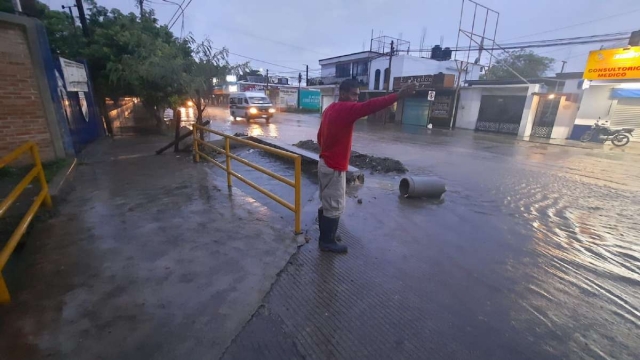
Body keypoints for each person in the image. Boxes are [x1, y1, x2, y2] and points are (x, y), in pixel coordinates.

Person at [317, 79, 417, 253]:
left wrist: (329, 150)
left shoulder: (330, 109)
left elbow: (319, 137)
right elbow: (371, 106)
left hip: (325, 162)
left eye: (358, 95)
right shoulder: (345, 109)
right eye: (354, 94)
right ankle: (326, 242)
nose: (356, 98)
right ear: (343, 94)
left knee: (328, 202)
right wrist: (398, 96)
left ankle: (327, 236)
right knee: (335, 205)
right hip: (333, 166)